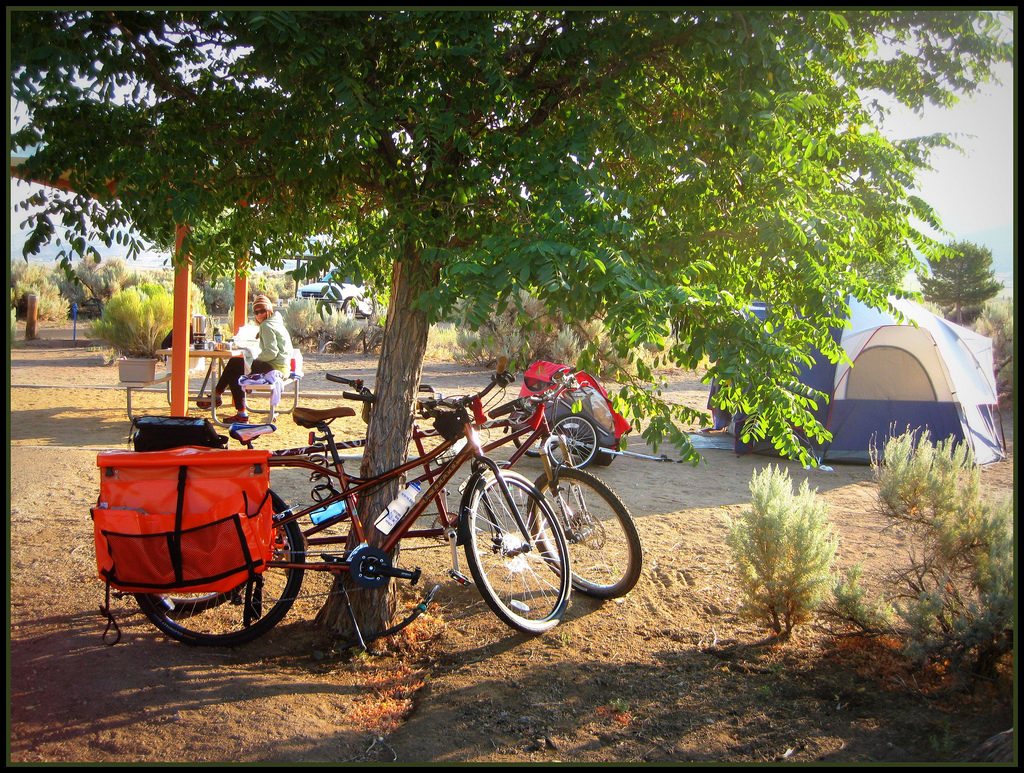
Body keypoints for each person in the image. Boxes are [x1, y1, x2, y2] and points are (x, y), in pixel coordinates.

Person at [198, 295, 292, 423]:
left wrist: (255, 359)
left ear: (269, 310)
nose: (259, 315)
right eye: (256, 312)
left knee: (236, 367)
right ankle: (218, 396)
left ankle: (235, 409)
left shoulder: (266, 325)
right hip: (283, 368)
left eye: (262, 311)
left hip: (274, 367)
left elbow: (271, 353)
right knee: (236, 364)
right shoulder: (277, 322)